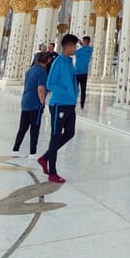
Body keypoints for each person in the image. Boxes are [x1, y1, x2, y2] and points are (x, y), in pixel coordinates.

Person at [38, 34, 79, 184]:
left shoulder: (69, 62)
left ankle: (45, 158)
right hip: (59, 105)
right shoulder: (58, 62)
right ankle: (52, 172)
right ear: (67, 46)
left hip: (69, 104)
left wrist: (73, 96)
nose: (75, 49)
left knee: (70, 133)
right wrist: (67, 93)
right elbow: (50, 84)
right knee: (55, 136)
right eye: (74, 46)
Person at [14, 51, 52, 156]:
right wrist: (42, 102)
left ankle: (15, 148)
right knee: (35, 129)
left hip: (25, 102)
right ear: (47, 61)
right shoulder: (42, 72)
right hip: (35, 104)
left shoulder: (29, 71)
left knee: (22, 128)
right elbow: (40, 89)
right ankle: (32, 153)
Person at [74, 36, 93, 109]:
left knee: (76, 89)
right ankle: (82, 105)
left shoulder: (80, 50)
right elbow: (86, 47)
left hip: (77, 73)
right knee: (83, 90)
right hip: (84, 73)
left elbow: (72, 52)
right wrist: (81, 42)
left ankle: (74, 102)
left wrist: (78, 43)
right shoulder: (90, 50)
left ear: (85, 42)